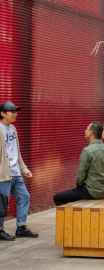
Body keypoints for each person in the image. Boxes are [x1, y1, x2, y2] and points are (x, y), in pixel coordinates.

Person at [0, 101, 38, 240]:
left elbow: (16, 151)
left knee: (24, 196)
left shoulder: (13, 129)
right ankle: (0, 230)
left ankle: (21, 227)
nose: (15, 114)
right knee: (2, 202)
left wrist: (24, 168)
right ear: (3, 113)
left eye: (16, 111)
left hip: (16, 172)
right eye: (12, 111)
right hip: (3, 173)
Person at [53, 122, 104, 206]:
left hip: (91, 192)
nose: (85, 131)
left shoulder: (87, 150)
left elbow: (80, 177)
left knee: (57, 197)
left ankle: (69, 218)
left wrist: (79, 186)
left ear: (91, 133)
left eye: (87, 129)